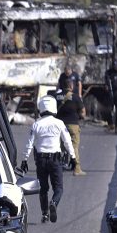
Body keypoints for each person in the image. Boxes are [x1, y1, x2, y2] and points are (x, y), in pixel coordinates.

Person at [19, 95, 75, 223]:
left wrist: (24, 160)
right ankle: (54, 203)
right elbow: (67, 142)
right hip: (55, 160)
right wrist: (73, 157)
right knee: (59, 188)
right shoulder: (59, 123)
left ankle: (44, 214)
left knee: (43, 189)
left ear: (41, 108)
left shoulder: (36, 124)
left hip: (41, 160)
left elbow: (29, 144)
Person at [55, 90, 87, 175]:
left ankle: (59, 166)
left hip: (59, 125)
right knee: (74, 146)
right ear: (71, 86)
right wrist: (80, 117)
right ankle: (77, 169)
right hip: (72, 125)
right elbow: (83, 112)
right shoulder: (76, 97)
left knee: (61, 146)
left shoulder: (56, 96)